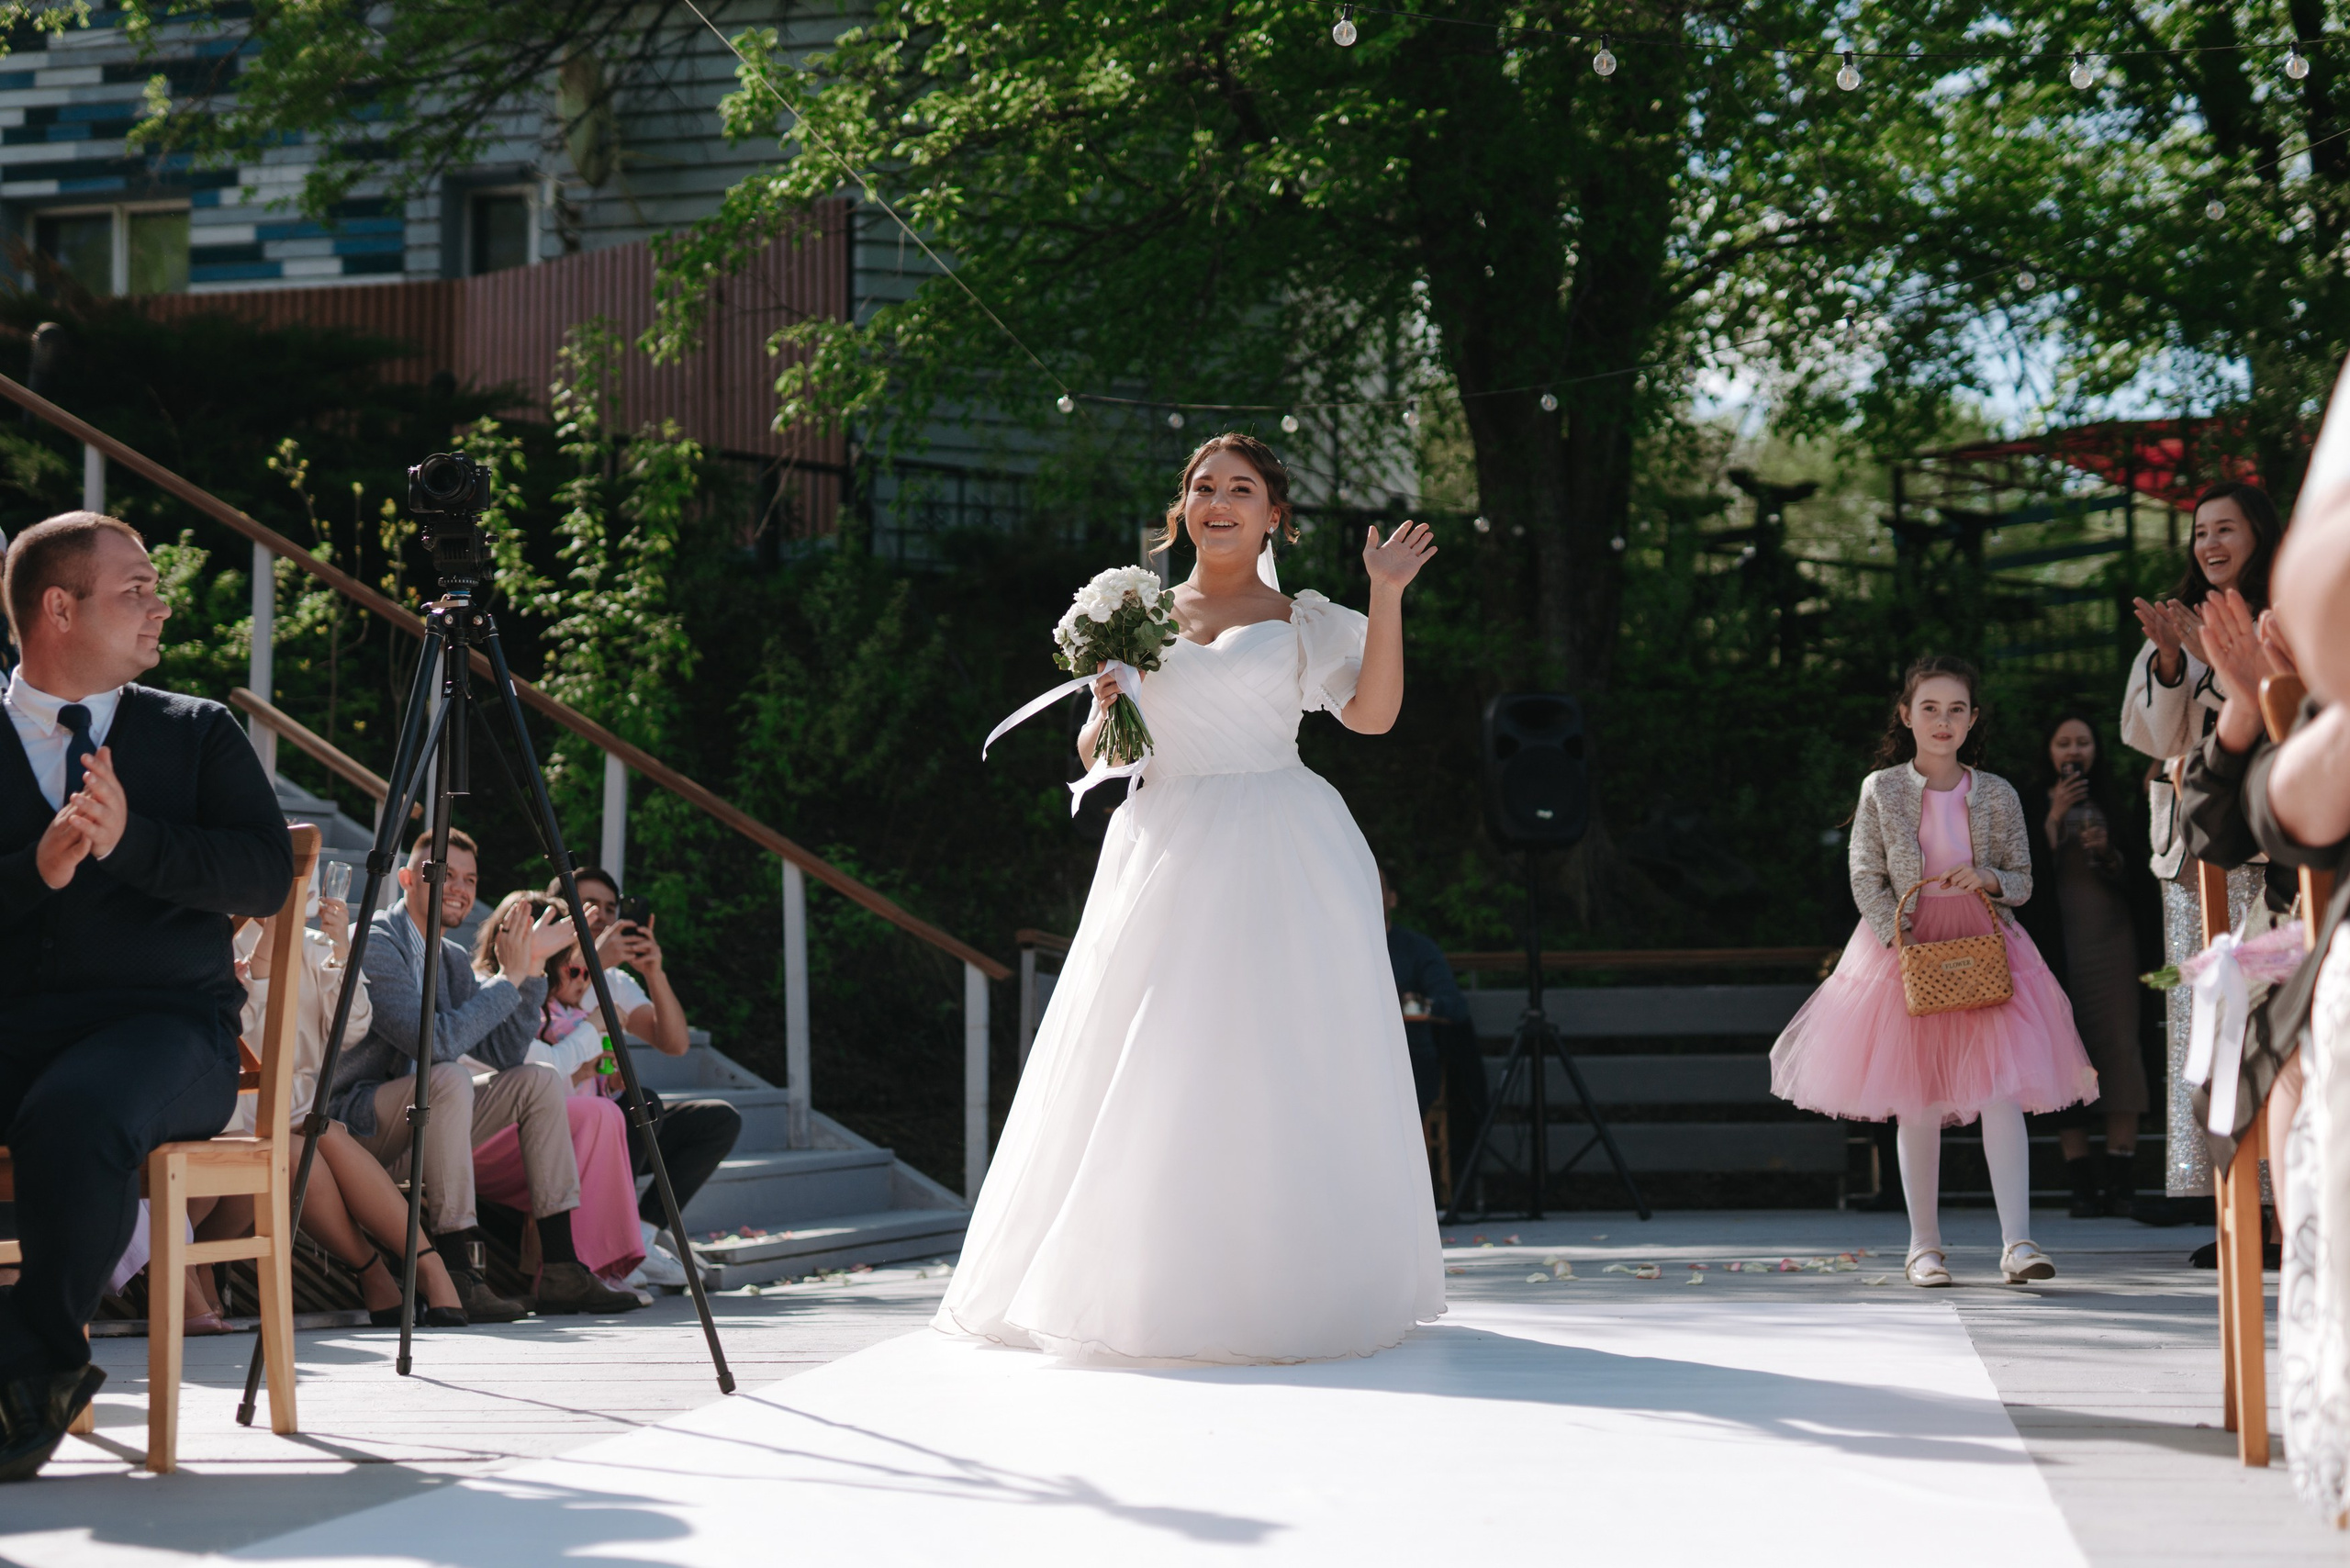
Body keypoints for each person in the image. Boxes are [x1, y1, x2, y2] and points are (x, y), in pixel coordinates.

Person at [934, 432, 1443, 1362]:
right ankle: (1141, 1281)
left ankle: (1288, 1280)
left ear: (1272, 514)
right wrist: (1105, 699)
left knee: (1276, 1051)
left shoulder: (1302, 617)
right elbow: (1105, 758)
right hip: (1164, 838)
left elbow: (1371, 716)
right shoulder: (1138, 615)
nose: (1218, 502)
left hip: (1281, 839)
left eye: (1240, 489)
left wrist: (1385, 595)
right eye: (1202, 487)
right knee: (1153, 1051)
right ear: (1183, 507)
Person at [0, 511, 293, 1481]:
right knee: (56, 1102)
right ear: (57, 606)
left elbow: (263, 877)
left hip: (167, 1035)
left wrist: (132, 843)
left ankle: (31, 1374)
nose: (158, 605)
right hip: (15, 1028)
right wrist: (32, 870)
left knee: (74, 1114)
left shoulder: (197, 732)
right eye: (135, 588)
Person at [1771, 655, 2097, 1289]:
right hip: (1905, 945)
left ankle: (2019, 1242)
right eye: (1930, 708)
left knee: (2001, 1090)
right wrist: (1896, 932)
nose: (1943, 722)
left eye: (1956, 709)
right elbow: (1865, 871)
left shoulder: (1997, 791)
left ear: (1973, 719)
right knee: (1914, 1097)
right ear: (1906, 715)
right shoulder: (1881, 788)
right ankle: (1924, 1246)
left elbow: (2025, 880)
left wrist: (1991, 878)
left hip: (1984, 942)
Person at [325, 829, 641, 1317]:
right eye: (444, 874)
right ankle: (458, 1267)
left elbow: (506, 1054)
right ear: (407, 878)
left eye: (470, 879)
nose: (460, 887)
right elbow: (436, 1044)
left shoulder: (450, 959)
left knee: (535, 1079)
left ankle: (561, 1267)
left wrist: (533, 969)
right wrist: (510, 976)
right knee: (448, 1074)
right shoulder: (374, 941)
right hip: (355, 1131)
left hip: (425, 1125)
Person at [2121, 479, 2287, 1211]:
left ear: (2258, 534)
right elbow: (2152, 739)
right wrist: (2168, 662)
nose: (2211, 545)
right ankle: (2229, 1201)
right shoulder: (2178, 625)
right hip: (2193, 851)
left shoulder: (2286, 615)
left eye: (2226, 529)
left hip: (2271, 843)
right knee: (2202, 1021)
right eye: (2200, 533)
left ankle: (2284, 1199)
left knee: (2273, 1017)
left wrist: (2229, 667)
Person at [231, 875, 467, 1327]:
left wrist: (341, 948)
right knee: (312, 1143)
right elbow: (247, 1034)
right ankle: (388, 1270)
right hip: (241, 1103)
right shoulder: (232, 936)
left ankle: (418, 1266)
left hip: (299, 1104)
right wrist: (266, 944)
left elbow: (353, 1030)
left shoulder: (316, 945)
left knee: (326, 1137)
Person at [554, 868, 738, 1289]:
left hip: (608, 1110)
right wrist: (595, 960)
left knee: (716, 1120)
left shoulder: (617, 979)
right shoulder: (544, 970)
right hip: (566, 1116)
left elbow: (673, 1043)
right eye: (588, 905)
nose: (600, 915)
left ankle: (640, 1236)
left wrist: (654, 971)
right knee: (642, 1105)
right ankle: (618, 1244)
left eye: (610, 908)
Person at [468, 895, 646, 1292]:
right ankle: (582, 1263)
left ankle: (595, 1264)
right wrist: (592, 1029)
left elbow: (549, 1081)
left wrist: (595, 1069)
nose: (580, 977)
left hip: (521, 1124)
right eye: (571, 963)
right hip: (476, 1130)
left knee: (605, 1111)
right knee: (595, 1115)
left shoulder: (542, 1000)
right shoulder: (483, 987)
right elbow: (538, 1067)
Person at [2018, 713, 2156, 1217]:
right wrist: (2053, 818)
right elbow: (2017, 874)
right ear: (2048, 750)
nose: (2073, 750)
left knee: (2120, 1048)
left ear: (2096, 749)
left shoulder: (2115, 798)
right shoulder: (2031, 800)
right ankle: (2081, 1182)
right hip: (2056, 947)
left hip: (2113, 943)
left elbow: (2143, 869)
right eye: (2063, 742)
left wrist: (2110, 854)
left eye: (2082, 742)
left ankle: (2121, 1179)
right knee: (2064, 1053)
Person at [1379, 863, 1472, 1119]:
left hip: (1405, 1062)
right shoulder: (1337, 949)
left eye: (1376, 885)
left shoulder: (1417, 949)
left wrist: (1417, 1005)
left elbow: (1454, 1004)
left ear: (1393, 898)